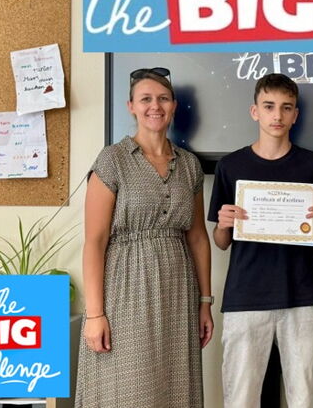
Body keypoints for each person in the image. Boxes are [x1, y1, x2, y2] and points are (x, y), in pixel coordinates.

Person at [76, 67, 213, 407]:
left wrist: (205, 303)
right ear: (131, 106)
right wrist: (95, 314)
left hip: (178, 291)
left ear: (174, 106)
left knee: (174, 386)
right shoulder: (112, 160)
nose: (155, 106)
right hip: (125, 289)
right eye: (146, 99)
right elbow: (94, 241)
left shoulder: (190, 165)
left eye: (163, 98)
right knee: (127, 387)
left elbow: (198, 237)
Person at [208, 73, 313, 408]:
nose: (277, 115)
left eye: (286, 107)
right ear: (255, 112)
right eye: (269, 106)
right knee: (240, 398)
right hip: (245, 296)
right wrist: (223, 225)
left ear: (296, 114)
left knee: (304, 398)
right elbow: (221, 241)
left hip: (302, 295)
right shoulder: (230, 166)